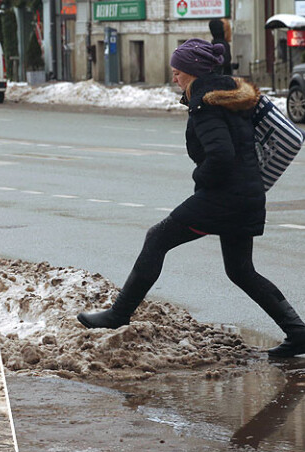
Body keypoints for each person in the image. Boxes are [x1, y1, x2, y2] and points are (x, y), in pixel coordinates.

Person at [77, 38, 305, 358]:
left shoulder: (205, 104)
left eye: (178, 71)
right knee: (240, 270)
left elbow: (222, 156)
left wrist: (201, 178)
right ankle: (298, 332)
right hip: (245, 196)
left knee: (157, 238)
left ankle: (118, 315)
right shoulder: (229, 97)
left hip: (223, 198)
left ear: (193, 72)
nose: (174, 78)